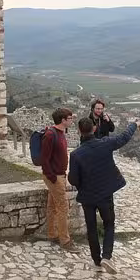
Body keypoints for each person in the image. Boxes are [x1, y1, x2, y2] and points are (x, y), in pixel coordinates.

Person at [68, 117, 140, 274]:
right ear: (94, 129)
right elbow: (124, 137)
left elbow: (72, 179)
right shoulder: (105, 143)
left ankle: (96, 259)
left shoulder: (75, 155)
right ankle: (106, 256)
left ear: (79, 131)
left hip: (87, 196)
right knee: (109, 224)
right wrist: (134, 124)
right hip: (105, 194)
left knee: (92, 227)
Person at [40, 107, 79, 252]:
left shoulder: (61, 132)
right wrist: (52, 177)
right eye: (69, 119)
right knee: (63, 208)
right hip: (54, 176)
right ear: (62, 120)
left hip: (59, 175)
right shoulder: (51, 135)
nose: (71, 120)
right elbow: (45, 159)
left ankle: (52, 234)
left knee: (52, 206)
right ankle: (65, 240)